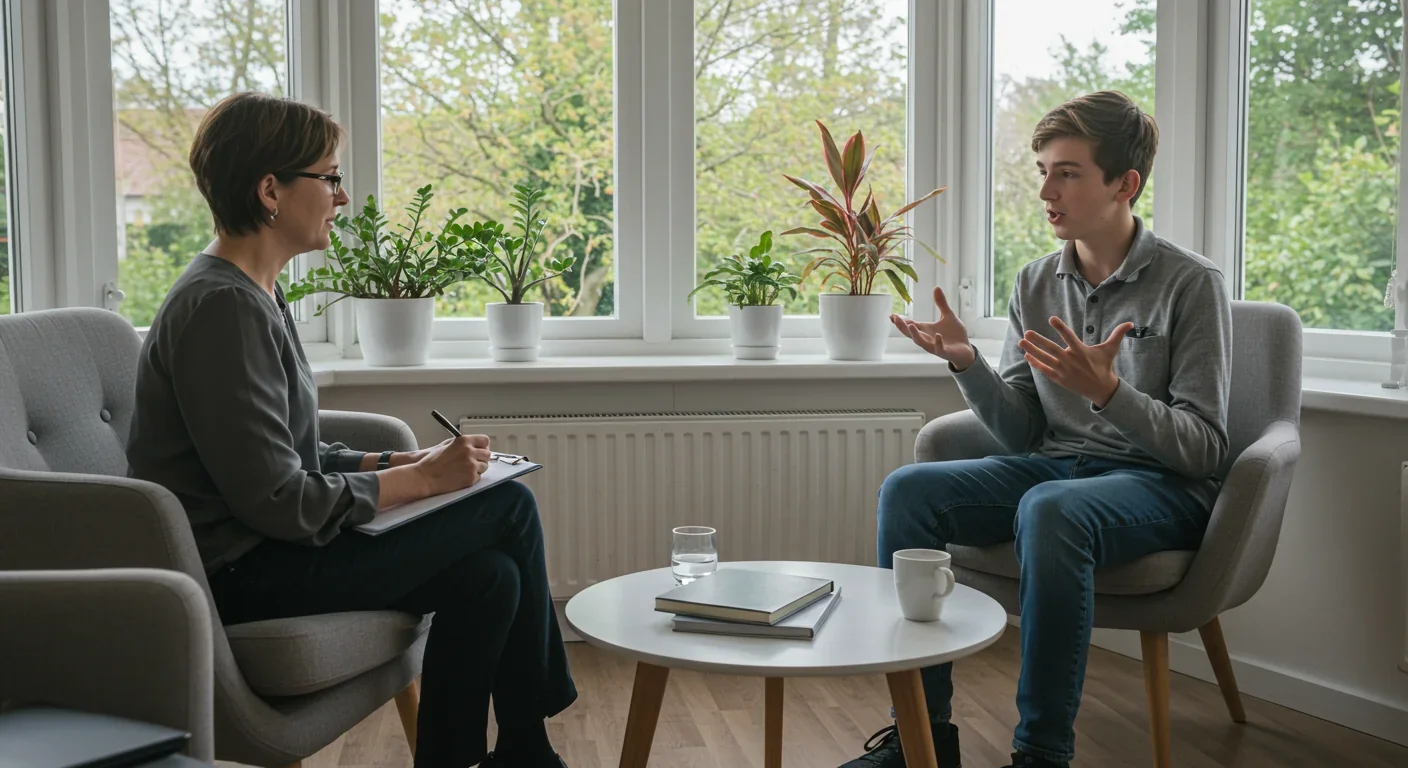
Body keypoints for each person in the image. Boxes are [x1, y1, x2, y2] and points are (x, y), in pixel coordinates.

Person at [125, 92, 577, 768]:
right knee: (506, 502)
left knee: (490, 577)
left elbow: (291, 452)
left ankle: (485, 753)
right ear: (270, 189)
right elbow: (277, 500)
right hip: (245, 574)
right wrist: (421, 479)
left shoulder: (255, 293)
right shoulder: (222, 307)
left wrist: (394, 458)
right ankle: (527, 745)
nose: (341, 197)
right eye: (329, 176)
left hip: (271, 552)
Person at [841, 91, 1232, 768]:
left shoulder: (1190, 284)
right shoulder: (1035, 281)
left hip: (1158, 487)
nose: (1046, 190)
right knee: (908, 490)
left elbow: (1204, 450)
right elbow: (1022, 431)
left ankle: (1041, 754)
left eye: (1069, 173)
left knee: (1051, 510)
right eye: (1044, 170)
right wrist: (966, 363)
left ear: (1124, 183)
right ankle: (920, 741)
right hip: (1056, 468)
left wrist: (1110, 393)